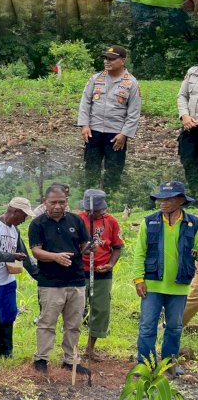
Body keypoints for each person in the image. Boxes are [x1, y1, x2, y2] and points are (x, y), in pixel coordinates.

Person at [133, 182, 198, 377]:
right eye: (160, 198)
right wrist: (138, 279)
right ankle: (145, 364)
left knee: (175, 327)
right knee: (147, 325)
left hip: (179, 286)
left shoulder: (193, 223)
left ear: (180, 201)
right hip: (152, 284)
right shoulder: (149, 222)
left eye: (168, 199)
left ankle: (169, 364)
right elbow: (139, 253)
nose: (163, 202)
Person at [28, 184, 92, 376]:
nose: (57, 206)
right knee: (47, 322)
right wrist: (55, 257)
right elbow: (36, 251)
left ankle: (70, 359)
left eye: (61, 202)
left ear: (67, 202)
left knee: (73, 324)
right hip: (50, 282)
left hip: (76, 280)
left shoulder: (76, 221)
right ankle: (41, 358)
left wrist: (92, 247)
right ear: (45, 202)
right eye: (53, 202)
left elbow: (84, 245)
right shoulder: (37, 224)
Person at [77, 45, 141, 192]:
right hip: (94, 131)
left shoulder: (131, 83)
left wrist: (124, 134)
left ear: (122, 61)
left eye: (112, 59)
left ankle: (110, 202)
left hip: (116, 135)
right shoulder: (96, 79)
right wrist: (84, 125)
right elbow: (85, 102)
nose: (107, 61)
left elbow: (134, 112)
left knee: (113, 171)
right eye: (106, 58)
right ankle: (90, 201)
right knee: (91, 169)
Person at [77, 189, 123, 361]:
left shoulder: (111, 221)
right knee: (76, 309)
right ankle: (71, 349)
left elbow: (117, 247)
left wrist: (110, 264)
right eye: (90, 210)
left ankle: (90, 348)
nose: (93, 213)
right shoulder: (77, 219)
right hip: (80, 272)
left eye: (96, 210)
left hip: (102, 273)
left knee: (101, 310)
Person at [0, 197, 37, 358]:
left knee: (9, 313)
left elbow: (25, 257)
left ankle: (6, 351)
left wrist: (41, 277)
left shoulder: (14, 231)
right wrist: (11, 256)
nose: (24, 220)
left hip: (8, 281)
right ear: (15, 212)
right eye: (24, 216)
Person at [177, 63, 198, 196]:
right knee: (189, 161)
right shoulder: (193, 72)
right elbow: (182, 96)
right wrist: (184, 115)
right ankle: (195, 195)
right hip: (191, 127)